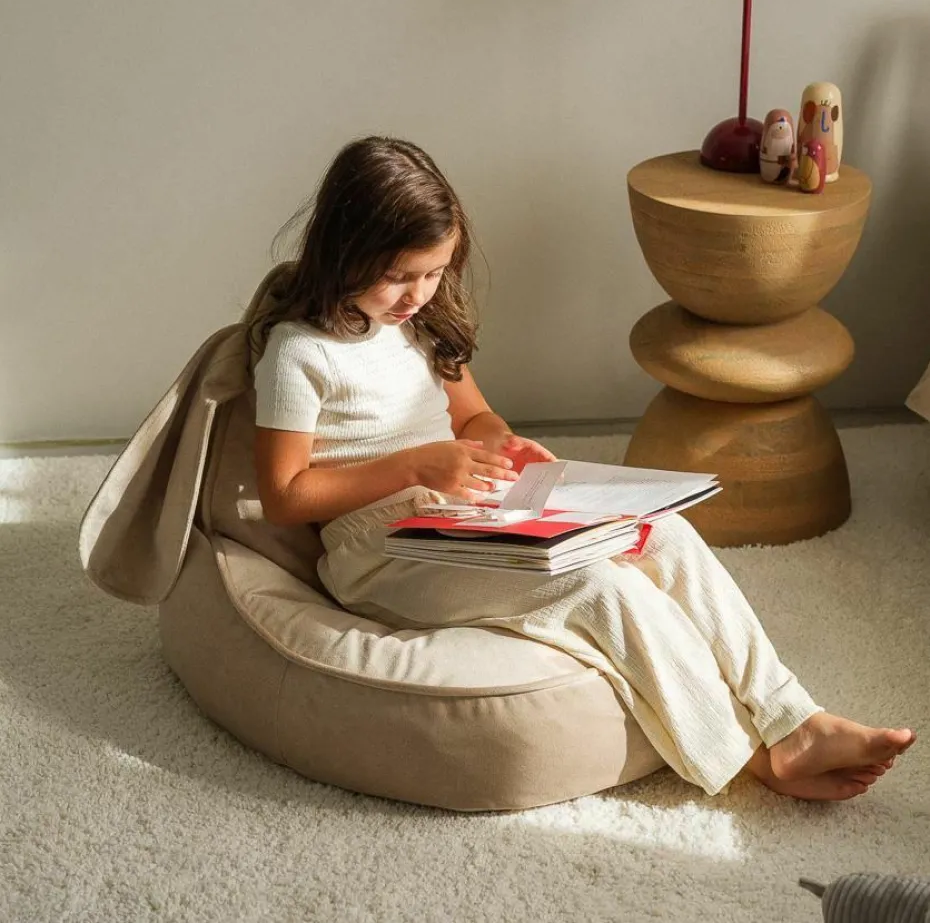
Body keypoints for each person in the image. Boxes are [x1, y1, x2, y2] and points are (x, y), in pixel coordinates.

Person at [251, 135, 915, 801]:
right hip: (381, 554)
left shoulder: (416, 326)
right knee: (601, 587)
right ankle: (752, 757)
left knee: (664, 535)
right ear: (346, 249)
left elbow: (475, 416)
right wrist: (413, 468)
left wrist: (502, 444)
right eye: (400, 275)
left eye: (434, 273)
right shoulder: (298, 353)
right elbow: (284, 495)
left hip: (467, 512)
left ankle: (791, 715)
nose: (418, 294)